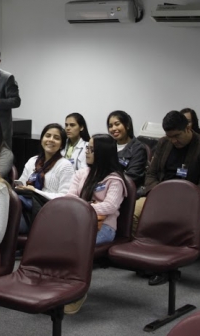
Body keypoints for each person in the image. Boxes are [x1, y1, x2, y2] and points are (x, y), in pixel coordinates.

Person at [134, 111, 200, 286]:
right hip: (160, 195)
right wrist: (157, 194)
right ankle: (145, 256)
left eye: (177, 136)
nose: (174, 140)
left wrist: (176, 201)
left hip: (189, 202)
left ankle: (165, 267)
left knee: (167, 218)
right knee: (135, 212)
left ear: (188, 128)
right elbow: (151, 174)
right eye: (170, 136)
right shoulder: (164, 143)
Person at [64, 133, 127, 315]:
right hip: (79, 224)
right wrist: (87, 207)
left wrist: (83, 208)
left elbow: (109, 206)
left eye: (91, 149)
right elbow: (70, 197)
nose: (87, 152)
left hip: (104, 227)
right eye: (87, 148)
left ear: (102, 152)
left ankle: (78, 292)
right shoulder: (81, 173)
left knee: (77, 249)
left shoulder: (114, 179)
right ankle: (58, 286)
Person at [16, 123, 75, 233]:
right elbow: (22, 184)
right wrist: (20, 187)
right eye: (47, 136)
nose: (51, 140)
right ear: (42, 138)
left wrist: (35, 191)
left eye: (56, 138)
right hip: (26, 208)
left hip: (49, 214)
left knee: (8, 223)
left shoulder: (65, 165)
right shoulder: (32, 161)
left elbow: (64, 197)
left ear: (62, 144)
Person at [107, 110, 148, 187]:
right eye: (110, 126)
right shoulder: (107, 146)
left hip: (126, 188)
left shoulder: (138, 148)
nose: (113, 128)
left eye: (117, 124)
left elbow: (133, 176)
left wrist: (109, 182)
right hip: (105, 186)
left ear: (128, 125)